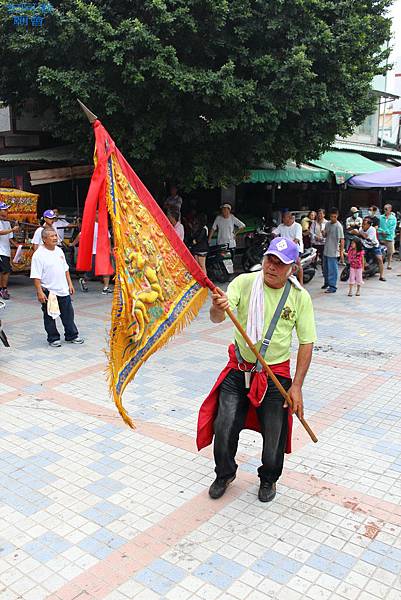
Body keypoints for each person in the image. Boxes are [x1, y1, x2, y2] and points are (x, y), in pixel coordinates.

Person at [197, 237, 316, 503]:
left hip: (276, 373)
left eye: (280, 263)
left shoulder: (299, 298)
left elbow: (307, 343)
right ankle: (225, 473)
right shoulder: (244, 283)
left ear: (292, 268)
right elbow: (218, 317)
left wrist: (296, 386)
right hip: (240, 368)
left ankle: (268, 478)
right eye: (269, 260)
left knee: (275, 432)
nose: (272, 267)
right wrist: (217, 307)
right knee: (224, 423)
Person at [30, 228, 84, 347]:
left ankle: (72, 335)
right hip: (49, 292)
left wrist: (70, 284)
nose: (55, 238)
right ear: (44, 239)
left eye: (55, 235)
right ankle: (53, 338)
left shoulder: (59, 251)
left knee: (68, 314)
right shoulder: (38, 255)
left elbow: (66, 269)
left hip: (63, 289)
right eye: (51, 236)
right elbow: (36, 276)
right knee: (49, 316)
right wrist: (39, 292)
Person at [71, 212, 113, 294]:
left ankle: (106, 287)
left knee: (106, 270)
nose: (99, 215)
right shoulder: (89, 226)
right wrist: (73, 244)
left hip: (103, 251)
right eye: (96, 213)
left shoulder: (103, 225)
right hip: (92, 251)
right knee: (93, 270)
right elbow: (80, 236)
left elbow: (108, 238)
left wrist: (110, 249)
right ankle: (84, 279)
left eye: (99, 213)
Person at [354, 217, 386, 282]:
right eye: (362, 224)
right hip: (365, 246)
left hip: (374, 246)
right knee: (360, 255)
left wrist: (360, 234)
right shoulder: (361, 229)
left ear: (369, 225)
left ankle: (381, 276)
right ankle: (363, 268)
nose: (362, 225)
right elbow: (354, 232)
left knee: (379, 259)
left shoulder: (372, 230)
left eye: (364, 224)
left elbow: (368, 238)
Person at [322, 208, 345, 293]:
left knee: (332, 269)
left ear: (337, 216)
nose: (333, 218)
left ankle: (332, 286)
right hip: (326, 249)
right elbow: (325, 235)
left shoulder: (338, 226)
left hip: (334, 251)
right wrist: (323, 233)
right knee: (325, 269)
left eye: (335, 217)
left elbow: (342, 239)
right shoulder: (327, 224)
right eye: (331, 216)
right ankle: (326, 283)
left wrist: (341, 253)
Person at [0, 202, 19, 299]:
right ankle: (3, 289)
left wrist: (16, 245)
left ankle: (2, 289)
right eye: (4, 209)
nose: (6, 211)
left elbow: (9, 237)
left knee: (5, 271)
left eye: (7, 209)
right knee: (5, 271)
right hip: (0, 251)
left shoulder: (7, 222)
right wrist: (12, 230)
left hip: (5, 250)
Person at [378, 204, 397, 270]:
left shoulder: (393, 218)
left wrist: (386, 232)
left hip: (389, 237)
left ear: (390, 209)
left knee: (390, 252)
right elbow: (378, 226)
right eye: (384, 209)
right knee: (380, 251)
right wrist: (381, 231)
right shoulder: (380, 217)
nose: (385, 210)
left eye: (386, 209)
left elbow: (392, 228)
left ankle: (389, 264)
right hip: (381, 236)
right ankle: (380, 263)